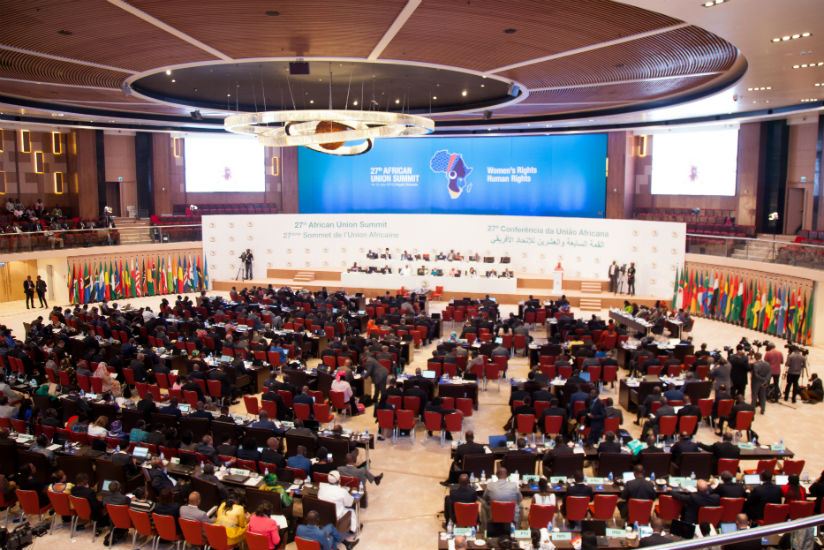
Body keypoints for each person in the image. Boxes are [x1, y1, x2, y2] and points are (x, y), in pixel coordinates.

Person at [481, 466, 522, 531]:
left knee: (483, 505)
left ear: (497, 475)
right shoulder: (514, 486)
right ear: (506, 475)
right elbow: (520, 499)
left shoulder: (490, 485)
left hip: (494, 514)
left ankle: (485, 530)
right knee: (520, 506)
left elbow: (484, 498)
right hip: (510, 515)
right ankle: (517, 529)